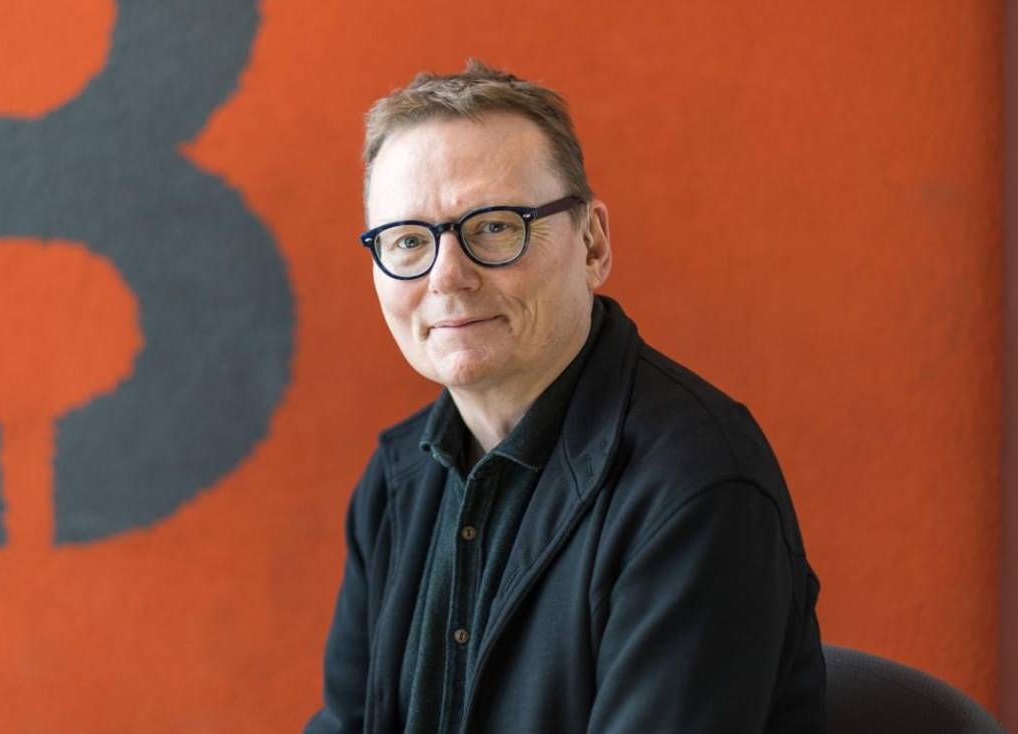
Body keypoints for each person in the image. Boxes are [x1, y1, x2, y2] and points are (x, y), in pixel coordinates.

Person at [306, 60, 825, 734]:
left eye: (495, 226)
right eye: (408, 240)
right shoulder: (394, 480)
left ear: (592, 244)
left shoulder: (696, 486)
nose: (448, 276)